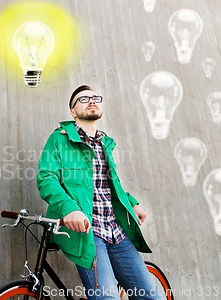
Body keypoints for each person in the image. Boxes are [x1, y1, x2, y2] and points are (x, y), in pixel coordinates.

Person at [36, 85, 159, 299]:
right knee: (106, 297)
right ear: (73, 112)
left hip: (117, 231)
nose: (91, 101)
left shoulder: (105, 142)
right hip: (88, 232)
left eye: (95, 98)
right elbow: (47, 179)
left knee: (150, 296)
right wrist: (69, 209)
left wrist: (132, 203)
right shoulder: (59, 139)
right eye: (83, 99)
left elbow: (110, 185)